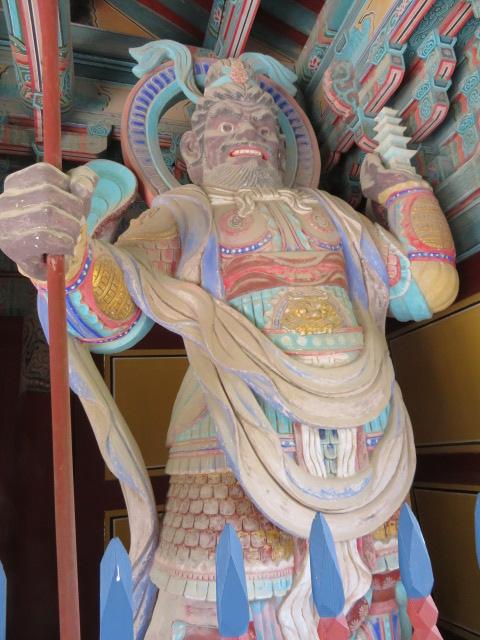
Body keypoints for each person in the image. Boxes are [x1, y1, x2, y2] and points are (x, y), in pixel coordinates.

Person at [0, 56, 458, 639]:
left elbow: (429, 287)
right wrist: (66, 259)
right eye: (226, 124)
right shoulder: (184, 214)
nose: (250, 133)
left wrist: (403, 189)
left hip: (369, 434)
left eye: (264, 126)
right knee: (228, 599)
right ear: (192, 151)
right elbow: (118, 313)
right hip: (231, 434)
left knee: (382, 596)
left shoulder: (334, 213)